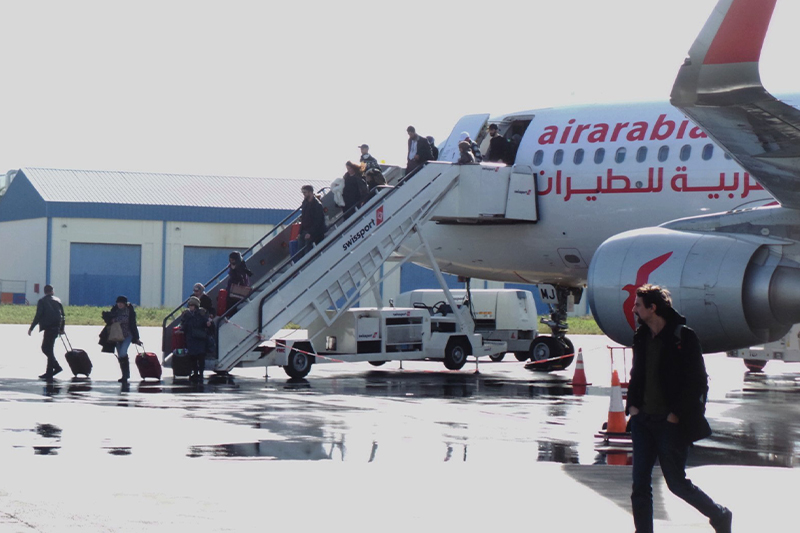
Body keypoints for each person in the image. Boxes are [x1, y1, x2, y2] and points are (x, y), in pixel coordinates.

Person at [626, 284, 732, 533]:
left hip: (670, 423)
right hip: (643, 420)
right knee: (639, 484)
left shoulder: (683, 337)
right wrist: (632, 407)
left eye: (638, 305)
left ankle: (719, 514)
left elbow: (698, 381)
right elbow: (637, 374)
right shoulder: (641, 337)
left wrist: (676, 415)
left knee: (677, 484)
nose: (634, 309)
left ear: (653, 308)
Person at [28, 284, 65, 380]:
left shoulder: (42, 301)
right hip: (56, 328)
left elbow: (38, 315)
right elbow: (63, 316)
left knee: (45, 348)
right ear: (52, 291)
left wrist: (31, 328)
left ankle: (56, 367)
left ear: (45, 291)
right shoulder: (58, 300)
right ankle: (50, 371)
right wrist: (62, 329)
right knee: (49, 349)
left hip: (48, 328)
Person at [102, 295, 141, 383]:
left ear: (125, 304)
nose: (119, 304)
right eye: (118, 303)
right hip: (117, 335)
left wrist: (136, 338)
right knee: (120, 355)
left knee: (123, 353)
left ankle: (126, 375)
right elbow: (108, 320)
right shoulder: (114, 310)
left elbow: (131, 323)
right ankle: (125, 375)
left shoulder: (129, 311)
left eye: (121, 303)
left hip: (127, 335)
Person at [179, 296, 212, 382]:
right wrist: (181, 330)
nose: (190, 307)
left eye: (192, 305)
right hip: (190, 338)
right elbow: (184, 324)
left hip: (200, 339)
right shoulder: (186, 314)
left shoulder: (202, 313)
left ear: (196, 306)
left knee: (201, 357)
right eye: (189, 305)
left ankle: (201, 373)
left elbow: (207, 323)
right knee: (192, 357)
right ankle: (195, 372)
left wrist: (208, 323)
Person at [298, 184, 326, 259]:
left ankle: (307, 264)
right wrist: (300, 232)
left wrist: (310, 233)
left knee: (308, 248)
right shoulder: (305, 203)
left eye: (305, 192)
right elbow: (304, 218)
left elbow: (318, 221)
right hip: (305, 230)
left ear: (310, 192)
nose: (304, 194)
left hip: (315, 232)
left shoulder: (317, 205)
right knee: (300, 248)